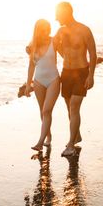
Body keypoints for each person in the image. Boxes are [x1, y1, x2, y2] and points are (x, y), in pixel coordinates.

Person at [54, 2, 97, 157]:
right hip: (66, 73)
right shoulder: (60, 31)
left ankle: (71, 145)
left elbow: (93, 53)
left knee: (74, 107)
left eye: (58, 14)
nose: (56, 17)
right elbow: (53, 47)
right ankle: (76, 135)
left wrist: (91, 75)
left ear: (66, 13)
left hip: (81, 73)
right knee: (69, 109)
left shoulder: (84, 30)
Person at [24, 19, 61, 151]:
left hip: (53, 80)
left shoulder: (54, 41)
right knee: (42, 111)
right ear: (38, 30)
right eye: (43, 29)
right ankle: (48, 136)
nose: (46, 31)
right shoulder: (32, 45)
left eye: (48, 28)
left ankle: (40, 142)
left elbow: (65, 54)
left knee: (46, 110)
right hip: (38, 81)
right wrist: (28, 85)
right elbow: (31, 66)